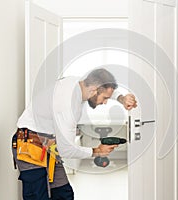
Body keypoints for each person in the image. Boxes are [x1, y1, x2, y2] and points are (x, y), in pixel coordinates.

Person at [12, 68, 137, 200]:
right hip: (30, 146)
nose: (105, 102)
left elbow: (103, 86)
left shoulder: (79, 83)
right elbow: (66, 149)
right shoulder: (68, 105)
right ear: (94, 90)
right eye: (104, 98)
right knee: (38, 197)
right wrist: (97, 151)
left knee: (64, 195)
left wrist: (121, 98)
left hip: (49, 146)